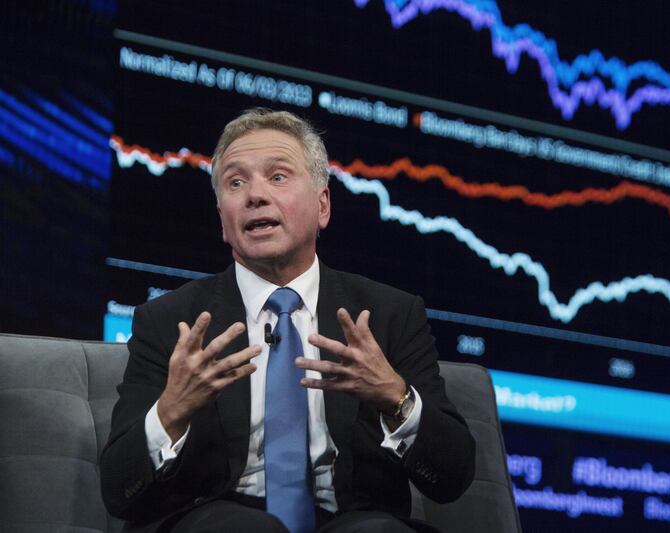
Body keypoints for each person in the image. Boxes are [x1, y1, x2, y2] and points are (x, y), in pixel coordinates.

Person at [100, 108, 476, 532]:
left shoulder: (390, 314)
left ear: (323, 205)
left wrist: (394, 396)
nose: (255, 196)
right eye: (235, 182)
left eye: (277, 177)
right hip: (217, 518)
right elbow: (117, 490)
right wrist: (170, 412)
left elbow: (453, 476)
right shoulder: (171, 321)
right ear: (223, 219)